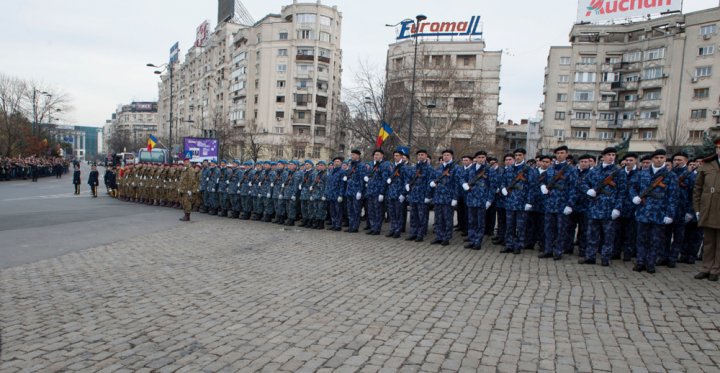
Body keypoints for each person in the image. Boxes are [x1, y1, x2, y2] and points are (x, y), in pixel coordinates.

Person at [631, 149, 679, 274]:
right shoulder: (643, 173)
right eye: (657, 157)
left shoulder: (671, 175)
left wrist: (670, 214)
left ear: (665, 159)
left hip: (660, 212)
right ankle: (640, 262)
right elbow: (632, 186)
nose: (659, 159)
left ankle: (650, 263)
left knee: (655, 240)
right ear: (652, 159)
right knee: (641, 239)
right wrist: (634, 197)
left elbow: (673, 196)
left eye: (662, 157)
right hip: (643, 211)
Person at [580, 147, 626, 266]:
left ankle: (605, 258)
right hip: (594, 207)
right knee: (592, 234)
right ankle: (590, 256)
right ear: (603, 156)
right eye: (609, 154)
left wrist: (617, 208)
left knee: (608, 236)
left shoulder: (618, 172)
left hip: (609, 208)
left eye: (613, 155)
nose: (611, 157)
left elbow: (622, 191)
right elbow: (583, 183)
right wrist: (588, 190)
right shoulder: (594, 170)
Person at [539, 146, 578, 260]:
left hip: (562, 204)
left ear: (566, 154)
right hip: (550, 204)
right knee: (548, 229)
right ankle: (548, 250)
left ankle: (558, 251)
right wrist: (542, 186)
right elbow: (543, 179)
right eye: (558, 153)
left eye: (562, 153)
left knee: (561, 230)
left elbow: (574, 188)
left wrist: (570, 204)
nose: (560, 155)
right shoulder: (550, 169)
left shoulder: (571, 170)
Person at [692, 138, 720, 281]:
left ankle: (716, 269)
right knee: (708, 241)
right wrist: (697, 209)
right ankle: (706, 268)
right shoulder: (707, 165)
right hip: (708, 208)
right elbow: (697, 189)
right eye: (719, 148)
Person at [500, 148, 537, 254]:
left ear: (524, 156)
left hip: (522, 201)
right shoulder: (509, 169)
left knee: (520, 226)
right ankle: (509, 244)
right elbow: (503, 181)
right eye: (516, 155)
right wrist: (503, 188)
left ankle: (518, 245)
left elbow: (532, 187)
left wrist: (529, 202)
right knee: (509, 225)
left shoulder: (529, 170)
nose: (517, 157)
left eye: (520, 155)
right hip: (510, 201)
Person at [462, 151, 494, 250]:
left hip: (482, 199)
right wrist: (464, 184)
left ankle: (478, 241)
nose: (481, 159)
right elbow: (462, 177)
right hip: (471, 199)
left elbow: (492, 186)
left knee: (480, 222)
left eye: (483, 157)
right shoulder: (471, 168)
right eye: (479, 157)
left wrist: (489, 200)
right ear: (475, 158)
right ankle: (471, 240)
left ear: (485, 158)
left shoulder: (489, 170)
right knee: (471, 221)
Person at [429, 149, 462, 246]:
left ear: (451, 156)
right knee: (438, 218)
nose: (445, 156)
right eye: (444, 155)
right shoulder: (439, 168)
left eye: (448, 155)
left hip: (448, 198)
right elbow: (434, 179)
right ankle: (439, 236)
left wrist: (455, 198)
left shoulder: (456, 168)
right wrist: (431, 183)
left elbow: (457, 184)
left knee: (447, 219)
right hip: (438, 197)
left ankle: (446, 237)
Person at [405, 150, 433, 242]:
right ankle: (413, 233)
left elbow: (430, 183)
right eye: (419, 155)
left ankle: (420, 234)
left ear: (426, 156)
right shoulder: (414, 167)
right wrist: (407, 185)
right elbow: (408, 178)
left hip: (422, 196)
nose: (420, 156)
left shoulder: (429, 168)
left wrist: (428, 196)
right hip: (413, 195)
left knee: (422, 216)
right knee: (413, 216)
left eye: (422, 155)